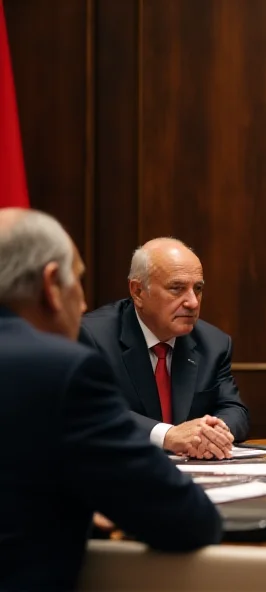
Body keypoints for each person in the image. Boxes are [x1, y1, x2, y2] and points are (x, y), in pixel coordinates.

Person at [0, 208, 221, 591]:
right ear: (52, 285)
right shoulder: (60, 368)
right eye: (78, 283)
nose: (83, 305)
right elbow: (186, 519)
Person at [80, 238, 249, 459]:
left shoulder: (213, 343)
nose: (193, 302)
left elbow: (235, 410)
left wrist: (213, 433)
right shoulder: (92, 336)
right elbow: (91, 410)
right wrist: (167, 435)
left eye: (197, 289)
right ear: (138, 291)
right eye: (177, 289)